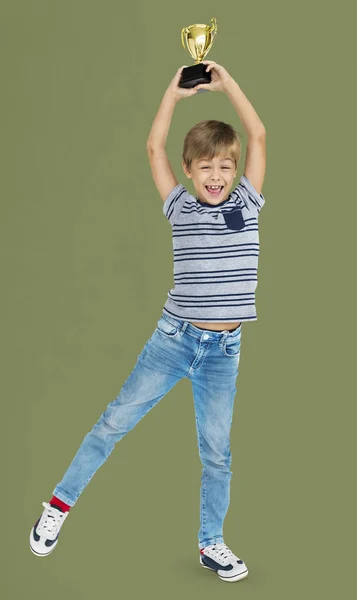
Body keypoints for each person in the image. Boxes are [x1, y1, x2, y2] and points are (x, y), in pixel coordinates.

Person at [29, 60, 266, 583]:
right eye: (204, 167)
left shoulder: (249, 201)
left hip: (224, 353)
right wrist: (174, 94)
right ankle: (58, 507)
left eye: (225, 166)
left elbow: (258, 131)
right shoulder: (179, 206)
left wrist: (227, 86)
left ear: (237, 168)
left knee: (217, 453)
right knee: (114, 422)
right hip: (175, 341)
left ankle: (212, 543)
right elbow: (154, 147)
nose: (216, 176)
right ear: (189, 171)